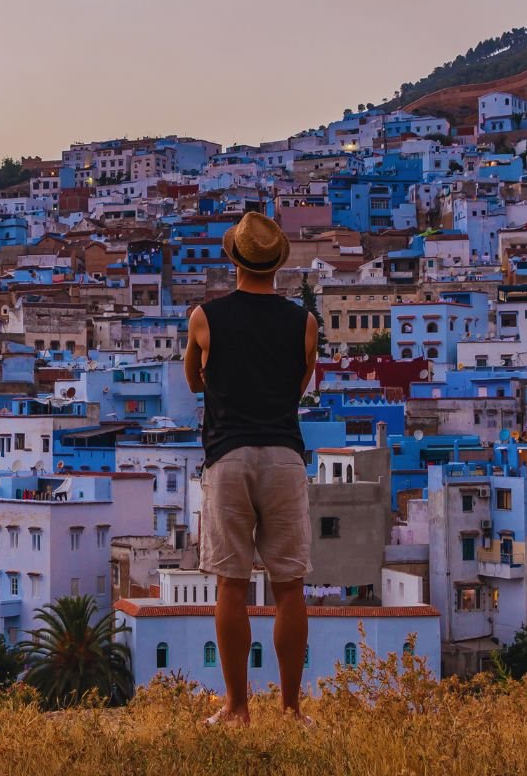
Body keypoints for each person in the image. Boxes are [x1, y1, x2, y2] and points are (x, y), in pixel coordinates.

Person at [184, 211, 318, 727]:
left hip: (228, 455)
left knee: (231, 584)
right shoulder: (302, 322)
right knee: (290, 586)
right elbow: (298, 387)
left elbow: (194, 380)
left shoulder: (205, 317)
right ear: (277, 264)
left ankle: (237, 708)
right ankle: (290, 709)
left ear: (234, 258)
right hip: (284, 455)